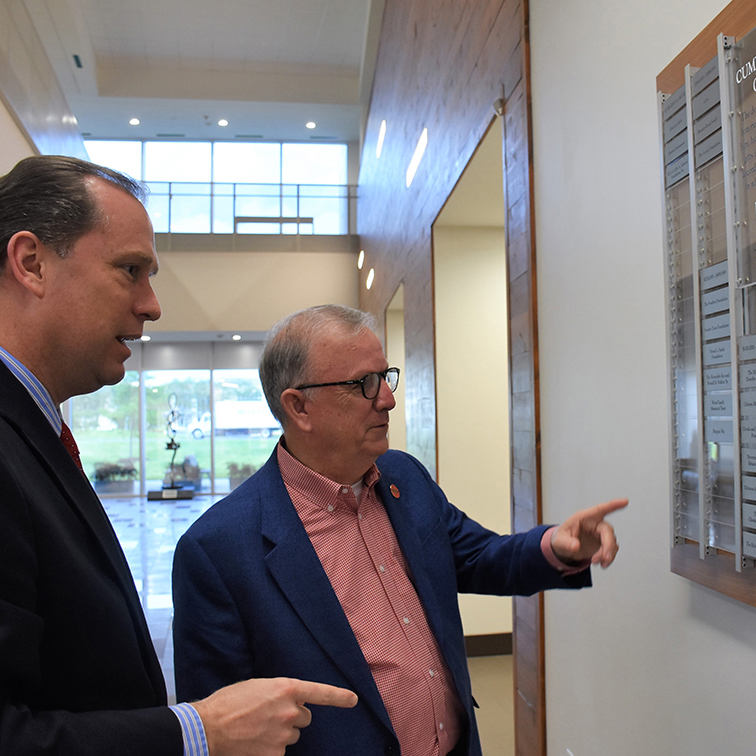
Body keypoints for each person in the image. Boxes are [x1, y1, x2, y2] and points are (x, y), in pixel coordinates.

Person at [0, 156, 357, 756]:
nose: (152, 305)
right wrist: (200, 731)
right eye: (130, 270)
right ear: (31, 263)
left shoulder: (35, 430)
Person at [172, 304, 627, 756]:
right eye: (362, 384)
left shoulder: (403, 478)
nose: (387, 399)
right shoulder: (218, 550)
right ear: (299, 406)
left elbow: (476, 557)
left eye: (384, 377)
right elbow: (223, 731)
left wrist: (558, 546)